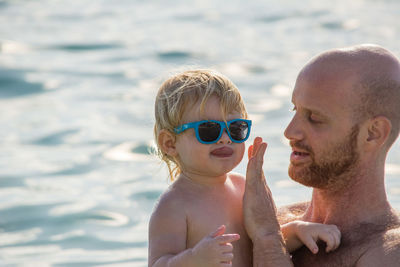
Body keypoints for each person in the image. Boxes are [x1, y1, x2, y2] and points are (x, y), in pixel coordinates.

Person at [148, 70, 341, 267]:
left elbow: (263, 241)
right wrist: (194, 259)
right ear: (170, 143)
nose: (225, 138)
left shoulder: (243, 187)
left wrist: (298, 232)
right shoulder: (174, 205)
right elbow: (158, 263)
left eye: (236, 128)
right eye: (209, 130)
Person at [243, 44, 400, 266]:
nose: (290, 132)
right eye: (294, 110)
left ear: (373, 134)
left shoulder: (388, 252)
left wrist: (268, 240)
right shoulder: (274, 220)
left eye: (314, 118)